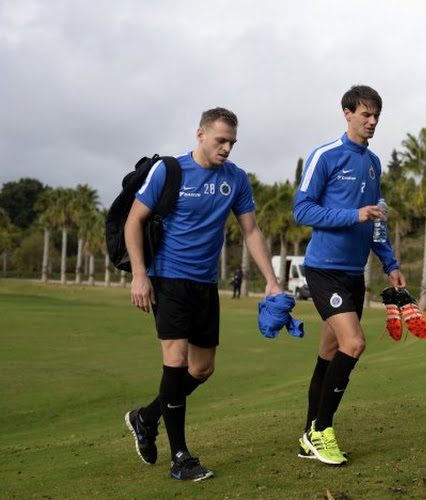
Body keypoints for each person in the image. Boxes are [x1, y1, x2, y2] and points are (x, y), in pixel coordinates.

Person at [123, 107, 283, 481]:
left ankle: (145, 417)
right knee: (176, 362)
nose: (226, 148)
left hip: (206, 285)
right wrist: (139, 275)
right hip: (169, 280)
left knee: (201, 369)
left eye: (232, 142)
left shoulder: (236, 179)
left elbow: (252, 232)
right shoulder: (170, 171)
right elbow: (134, 220)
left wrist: (272, 282)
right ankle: (180, 458)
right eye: (220, 140)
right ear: (200, 134)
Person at [293, 85, 406, 465]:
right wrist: (351, 215)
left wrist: (390, 264)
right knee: (354, 344)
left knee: (330, 352)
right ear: (347, 113)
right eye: (365, 115)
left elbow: (377, 222)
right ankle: (322, 430)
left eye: (376, 116)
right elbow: (303, 211)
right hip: (324, 269)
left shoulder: (373, 163)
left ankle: (310, 431)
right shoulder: (325, 155)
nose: (372, 122)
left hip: (354, 274)